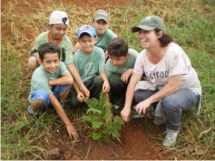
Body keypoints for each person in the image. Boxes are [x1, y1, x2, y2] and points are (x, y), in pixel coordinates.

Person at [120, 15, 202, 147]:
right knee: (138, 94)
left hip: (186, 90)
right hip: (162, 87)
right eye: (140, 32)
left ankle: (172, 128)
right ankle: (159, 113)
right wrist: (126, 107)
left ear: (159, 33)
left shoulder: (173, 53)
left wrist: (148, 101)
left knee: (170, 102)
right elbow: (133, 82)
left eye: (146, 32)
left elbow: (173, 87)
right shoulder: (142, 56)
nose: (141, 35)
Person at [27, 10, 89, 98]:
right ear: (50, 26)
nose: (61, 32)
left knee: (68, 68)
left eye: (64, 29)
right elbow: (34, 51)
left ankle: (57, 84)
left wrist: (81, 85)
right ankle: (38, 79)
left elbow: (70, 63)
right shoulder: (41, 38)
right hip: (44, 64)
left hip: (59, 65)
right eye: (58, 29)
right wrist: (42, 63)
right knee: (32, 61)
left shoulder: (66, 43)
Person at [27, 42, 78, 139]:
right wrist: (68, 124)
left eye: (55, 61)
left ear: (60, 59)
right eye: (48, 62)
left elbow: (70, 79)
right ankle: (33, 110)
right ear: (41, 62)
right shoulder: (39, 76)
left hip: (52, 89)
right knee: (42, 96)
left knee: (67, 84)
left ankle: (61, 104)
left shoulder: (60, 65)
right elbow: (55, 103)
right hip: (41, 95)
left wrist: (50, 82)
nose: (53, 65)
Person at [71, 24, 111, 119]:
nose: (87, 44)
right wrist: (78, 91)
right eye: (84, 41)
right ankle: (86, 99)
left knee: (99, 80)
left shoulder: (99, 52)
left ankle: (95, 103)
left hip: (93, 81)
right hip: (81, 83)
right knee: (74, 104)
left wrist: (106, 81)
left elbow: (101, 71)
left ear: (95, 40)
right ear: (79, 42)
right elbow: (74, 78)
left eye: (90, 40)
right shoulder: (76, 56)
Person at [105, 37, 138, 109]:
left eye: (118, 59)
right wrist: (107, 107)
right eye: (111, 58)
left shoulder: (134, 55)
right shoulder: (108, 65)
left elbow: (146, 68)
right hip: (119, 85)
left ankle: (134, 101)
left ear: (127, 55)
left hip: (133, 81)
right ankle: (118, 101)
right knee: (113, 80)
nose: (114, 62)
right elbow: (105, 85)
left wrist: (131, 70)